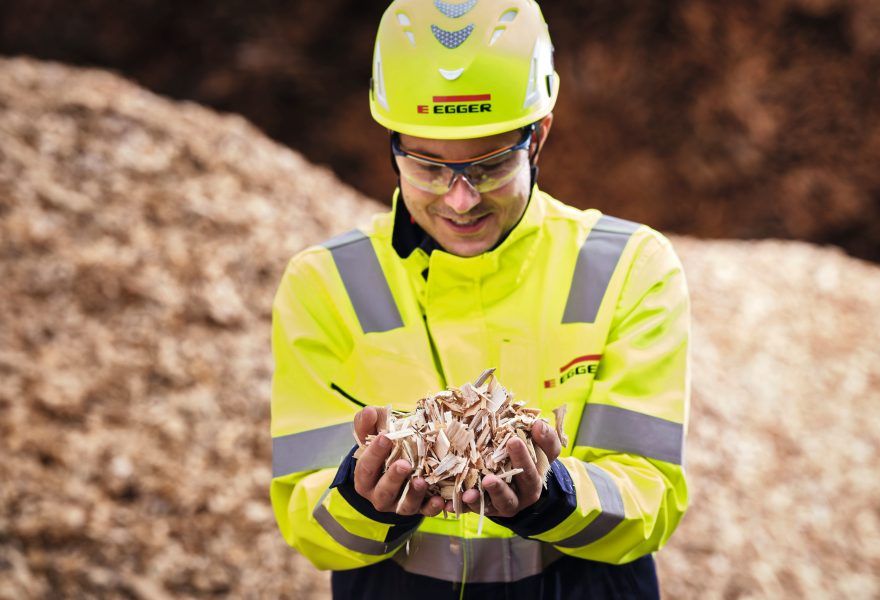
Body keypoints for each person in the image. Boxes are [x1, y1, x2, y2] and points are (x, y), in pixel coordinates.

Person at [269, 1, 691, 597]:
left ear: (538, 135)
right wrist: (362, 500)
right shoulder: (325, 283)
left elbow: (652, 496)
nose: (460, 200)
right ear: (391, 144)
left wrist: (554, 497)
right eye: (428, 165)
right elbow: (304, 519)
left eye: (490, 165)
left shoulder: (630, 267)